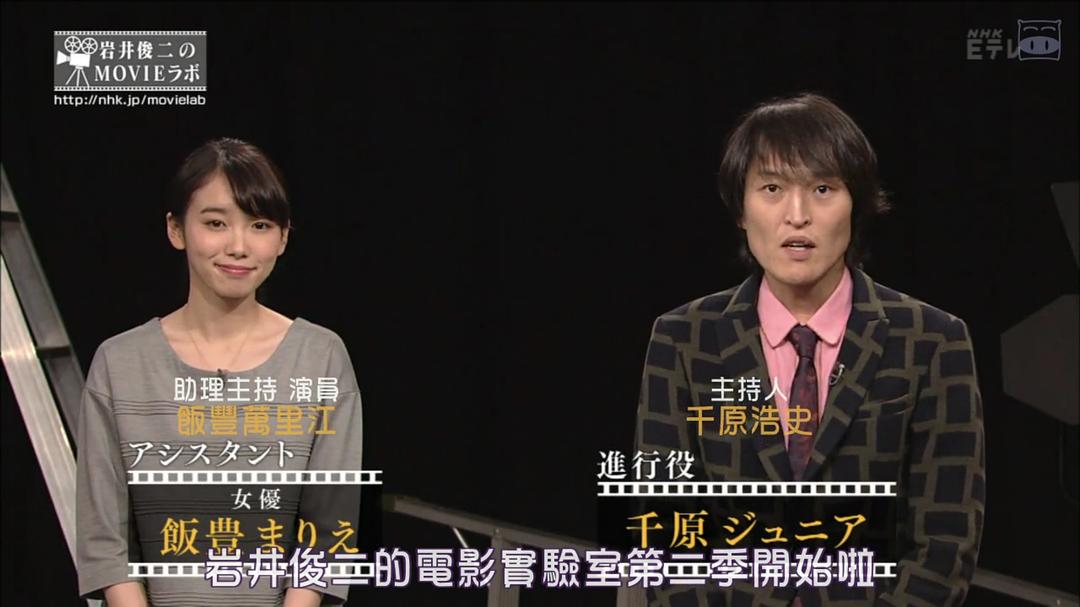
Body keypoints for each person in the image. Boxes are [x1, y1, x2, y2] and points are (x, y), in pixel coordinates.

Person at [634, 93, 985, 605]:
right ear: (741, 209)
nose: (797, 216)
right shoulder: (684, 338)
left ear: (856, 203)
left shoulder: (931, 340)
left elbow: (945, 543)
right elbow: (663, 533)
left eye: (822, 189)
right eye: (772, 188)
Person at [76, 138, 363, 607]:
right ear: (176, 229)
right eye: (215, 223)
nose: (238, 246)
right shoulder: (119, 362)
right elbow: (105, 543)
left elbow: (328, 534)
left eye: (260, 225)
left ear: (283, 238)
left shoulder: (321, 356)